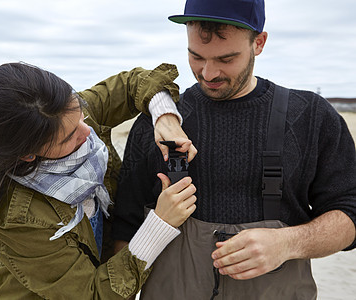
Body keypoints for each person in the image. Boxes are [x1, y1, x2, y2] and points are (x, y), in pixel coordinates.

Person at [112, 0, 356, 299]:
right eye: (195, 56)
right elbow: (123, 228)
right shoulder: (159, 123)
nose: (208, 73)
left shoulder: (311, 116)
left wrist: (288, 243)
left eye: (227, 59)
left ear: (259, 42)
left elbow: (350, 214)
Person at [0, 62, 198, 299]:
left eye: (80, 113)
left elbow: (135, 82)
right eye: (69, 137)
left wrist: (165, 116)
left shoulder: (63, 115)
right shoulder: (18, 219)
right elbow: (92, 295)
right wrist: (159, 223)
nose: (87, 131)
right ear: (28, 155)